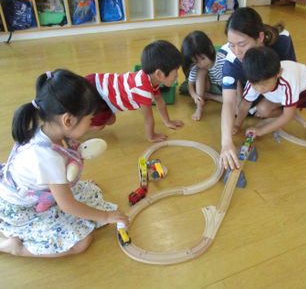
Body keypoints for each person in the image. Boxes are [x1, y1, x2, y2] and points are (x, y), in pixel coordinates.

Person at [0, 69, 129, 257]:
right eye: (90, 119)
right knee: (81, 242)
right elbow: (67, 205)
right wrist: (106, 216)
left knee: (90, 193)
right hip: (22, 209)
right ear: (68, 120)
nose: (93, 124)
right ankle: (14, 248)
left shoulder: (48, 132)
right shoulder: (47, 157)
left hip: (35, 193)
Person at [220, 7, 297, 170]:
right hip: (256, 86)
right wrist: (226, 141)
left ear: (260, 37)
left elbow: (291, 74)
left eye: (242, 44)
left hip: (278, 85)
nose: (237, 51)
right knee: (242, 107)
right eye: (231, 45)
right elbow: (228, 101)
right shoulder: (232, 61)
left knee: (263, 109)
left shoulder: (282, 41)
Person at [86, 40, 184, 142]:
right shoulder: (143, 90)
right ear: (159, 74)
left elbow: (159, 101)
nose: (177, 75)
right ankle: (74, 131)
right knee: (99, 127)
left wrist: (167, 121)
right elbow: (148, 118)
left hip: (100, 89)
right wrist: (151, 136)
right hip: (95, 91)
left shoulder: (151, 79)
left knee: (111, 120)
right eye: (175, 71)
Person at [238, 47, 306, 145]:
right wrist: (237, 124)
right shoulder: (255, 78)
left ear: (279, 73)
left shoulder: (287, 81)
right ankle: (291, 109)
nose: (260, 89)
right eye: (254, 84)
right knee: (263, 110)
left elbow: (287, 116)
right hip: (283, 93)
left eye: (264, 84)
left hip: (305, 87)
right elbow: (245, 104)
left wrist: (260, 131)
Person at [180, 31, 226, 121]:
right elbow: (190, 85)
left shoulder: (223, 61)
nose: (202, 63)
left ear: (210, 49)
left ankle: (209, 96)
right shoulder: (197, 67)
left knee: (233, 103)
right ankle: (199, 108)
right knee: (200, 71)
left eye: (203, 58)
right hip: (212, 85)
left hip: (225, 88)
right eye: (197, 61)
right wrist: (194, 96)